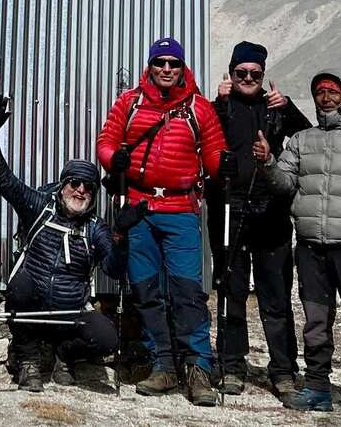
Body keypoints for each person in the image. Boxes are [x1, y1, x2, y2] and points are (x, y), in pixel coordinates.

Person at [255, 69, 341, 422]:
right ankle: (318, 389)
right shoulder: (302, 140)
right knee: (316, 322)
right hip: (311, 246)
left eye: (333, 91)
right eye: (320, 91)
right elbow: (284, 185)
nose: (326, 97)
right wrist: (269, 162)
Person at [0, 96, 145, 393]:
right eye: (74, 183)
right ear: (62, 185)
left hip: (68, 316)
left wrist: (121, 237)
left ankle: (63, 358)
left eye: (88, 187)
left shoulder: (95, 229)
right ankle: (28, 358)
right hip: (31, 309)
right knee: (19, 285)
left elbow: (115, 269)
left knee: (107, 337)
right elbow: (1, 177)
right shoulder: (38, 206)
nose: (80, 191)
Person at [97, 37, 228, 406]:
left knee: (187, 291)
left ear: (182, 67)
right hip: (139, 208)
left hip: (181, 211)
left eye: (173, 63)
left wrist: (223, 165)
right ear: (151, 66)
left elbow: (214, 152)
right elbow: (107, 140)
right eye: (160, 62)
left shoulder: (199, 108)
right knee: (147, 290)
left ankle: (199, 369)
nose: (167, 69)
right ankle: (164, 366)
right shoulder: (129, 103)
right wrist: (112, 161)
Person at [205, 41, 311, 402]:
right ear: (231, 75)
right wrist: (217, 103)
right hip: (229, 213)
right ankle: (232, 366)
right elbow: (198, 135)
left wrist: (290, 105)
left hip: (272, 213)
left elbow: (309, 137)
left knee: (276, 296)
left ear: (264, 77)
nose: (248, 78)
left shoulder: (276, 108)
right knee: (232, 293)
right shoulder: (220, 106)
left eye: (255, 74)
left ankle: (282, 372)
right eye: (241, 73)